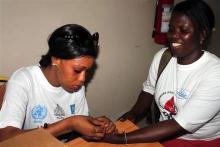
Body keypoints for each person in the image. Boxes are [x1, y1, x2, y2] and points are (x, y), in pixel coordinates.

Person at [102, 0, 220, 146]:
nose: (173, 36)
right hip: (164, 133)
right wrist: (131, 115)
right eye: (171, 29)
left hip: (200, 141)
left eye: (183, 30)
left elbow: (179, 124)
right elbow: (149, 91)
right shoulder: (163, 57)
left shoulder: (215, 74)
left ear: (202, 35)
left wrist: (122, 139)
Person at [0, 24, 116, 142]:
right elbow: (5, 137)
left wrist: (95, 126)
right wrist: (70, 124)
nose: (82, 79)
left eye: (87, 71)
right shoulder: (24, 80)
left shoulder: (76, 85)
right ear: (55, 59)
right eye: (77, 70)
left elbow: (77, 131)